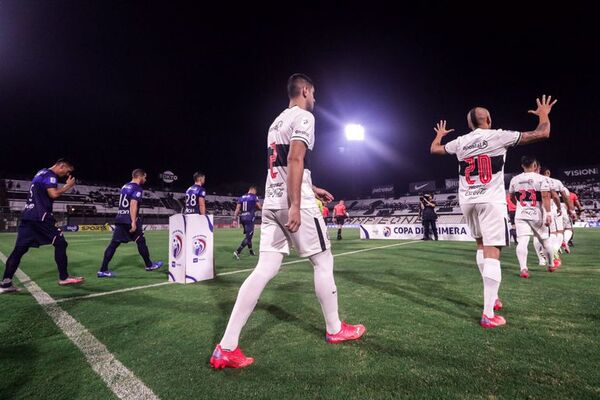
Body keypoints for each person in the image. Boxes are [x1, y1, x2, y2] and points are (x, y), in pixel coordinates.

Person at [210, 73, 365, 369]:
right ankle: (335, 329)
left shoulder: (275, 121)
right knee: (323, 262)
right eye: (314, 93)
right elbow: (294, 159)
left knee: (264, 268)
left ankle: (226, 346)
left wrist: (311, 186)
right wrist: (296, 204)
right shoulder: (304, 117)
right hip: (293, 204)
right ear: (305, 90)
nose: (315, 99)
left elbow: (286, 165)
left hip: (271, 201)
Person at [430, 95, 557, 328]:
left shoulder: (460, 142)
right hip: (490, 200)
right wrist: (543, 114)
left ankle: (493, 297)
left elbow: (435, 150)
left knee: (481, 246)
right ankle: (488, 313)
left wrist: (439, 135)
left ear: (469, 125)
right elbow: (542, 133)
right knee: (492, 252)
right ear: (488, 119)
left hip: (467, 200)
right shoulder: (499, 135)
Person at [1, 159, 84, 293]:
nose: (67, 174)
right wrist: (68, 186)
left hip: (28, 216)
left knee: (19, 250)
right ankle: (64, 278)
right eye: (67, 171)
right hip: (41, 217)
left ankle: (5, 283)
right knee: (61, 243)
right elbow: (54, 194)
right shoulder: (50, 175)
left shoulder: (40, 173)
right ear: (61, 166)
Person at [97, 169, 163, 278]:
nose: (145, 179)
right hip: (129, 219)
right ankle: (149, 265)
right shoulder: (137, 188)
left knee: (113, 244)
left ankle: (102, 270)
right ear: (140, 176)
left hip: (120, 218)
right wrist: (133, 222)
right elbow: (133, 204)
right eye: (145, 177)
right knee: (141, 241)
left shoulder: (125, 186)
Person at [508, 156, 555, 278]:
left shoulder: (515, 179)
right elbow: (545, 197)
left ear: (522, 165)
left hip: (521, 214)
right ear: (535, 165)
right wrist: (548, 213)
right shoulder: (542, 179)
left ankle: (523, 268)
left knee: (522, 241)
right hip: (537, 215)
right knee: (545, 241)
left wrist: (520, 204)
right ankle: (550, 265)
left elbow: (511, 197)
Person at [233, 185, 261, 259]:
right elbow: (259, 207)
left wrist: (234, 219)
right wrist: (258, 209)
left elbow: (237, 209)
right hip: (250, 217)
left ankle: (251, 252)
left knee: (248, 235)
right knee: (248, 237)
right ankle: (237, 251)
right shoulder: (254, 197)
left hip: (242, 217)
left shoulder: (241, 197)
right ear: (253, 190)